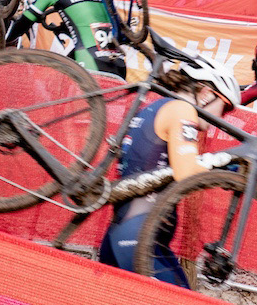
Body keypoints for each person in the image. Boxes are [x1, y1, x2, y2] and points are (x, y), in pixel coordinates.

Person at [99, 54, 240, 285]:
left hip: (126, 234)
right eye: (223, 108)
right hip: (139, 239)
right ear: (205, 93)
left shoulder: (158, 106)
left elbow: (173, 165)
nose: (220, 118)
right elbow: (186, 173)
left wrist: (223, 167)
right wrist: (226, 170)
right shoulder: (182, 110)